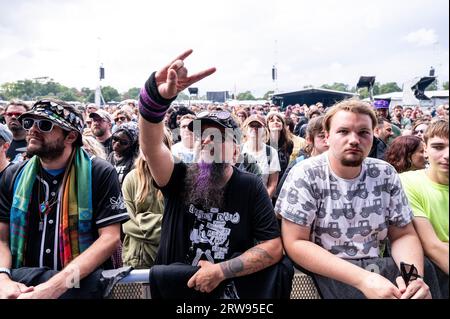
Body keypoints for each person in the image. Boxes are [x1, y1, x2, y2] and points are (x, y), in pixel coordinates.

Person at [138, 50, 283, 298]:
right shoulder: (178, 177)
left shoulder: (250, 186)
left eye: (218, 136)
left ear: (236, 151)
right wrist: (155, 98)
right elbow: (151, 147)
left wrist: (220, 271)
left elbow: (273, 246)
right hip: (177, 293)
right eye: (202, 134)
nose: (207, 140)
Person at [276, 99, 432, 299]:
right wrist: (363, 279)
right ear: (327, 136)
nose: (354, 140)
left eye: (363, 132)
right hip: (320, 276)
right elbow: (295, 242)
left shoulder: (385, 173)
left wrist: (412, 279)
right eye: (343, 131)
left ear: (373, 136)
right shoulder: (305, 174)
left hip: (377, 275)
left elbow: (402, 234)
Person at [0, 98, 129, 299]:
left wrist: (56, 287)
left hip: (80, 289)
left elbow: (110, 238)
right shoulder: (12, 175)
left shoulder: (99, 172)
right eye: (29, 123)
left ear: (70, 136)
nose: (32, 129)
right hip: (23, 290)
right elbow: (2, 240)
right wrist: (3, 279)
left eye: (44, 125)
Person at [400, 118, 449, 298]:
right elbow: (431, 246)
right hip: (432, 276)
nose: (447, 155)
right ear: (425, 149)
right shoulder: (407, 182)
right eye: (438, 147)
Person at [121, 129, 172, 268]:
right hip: (135, 259)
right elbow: (126, 222)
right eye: (145, 143)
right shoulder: (131, 178)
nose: (148, 148)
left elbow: (175, 225)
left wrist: (141, 218)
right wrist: (161, 223)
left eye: (154, 144)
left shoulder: (176, 178)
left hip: (166, 260)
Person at [241, 114, 281, 199]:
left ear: (264, 130)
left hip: (262, 201)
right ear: (246, 129)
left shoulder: (271, 152)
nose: (255, 129)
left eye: (258, 126)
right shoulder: (238, 150)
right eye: (252, 126)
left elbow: (272, 185)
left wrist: (261, 202)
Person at [107, 122, 139, 187]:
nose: (117, 143)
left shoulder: (135, 160)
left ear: (131, 145)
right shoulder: (111, 156)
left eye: (123, 142)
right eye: (115, 138)